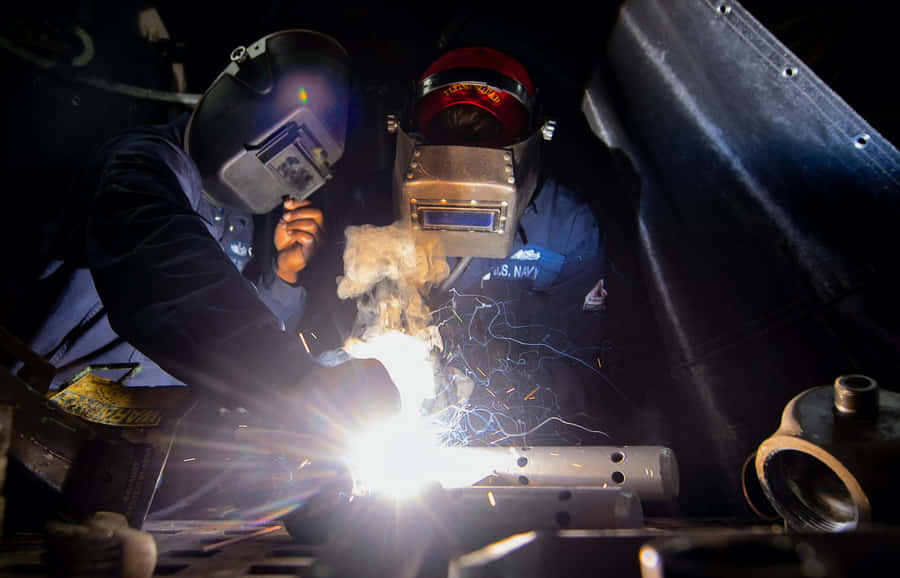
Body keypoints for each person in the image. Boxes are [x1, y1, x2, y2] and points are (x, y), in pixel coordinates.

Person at [6, 29, 399, 428]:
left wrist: (284, 275)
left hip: (123, 437)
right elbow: (168, 277)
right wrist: (294, 380)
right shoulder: (140, 162)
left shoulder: (240, 219)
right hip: (30, 409)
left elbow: (230, 322)